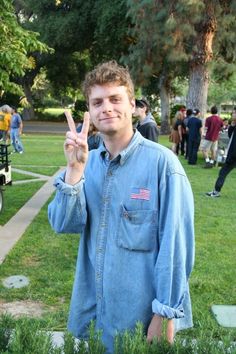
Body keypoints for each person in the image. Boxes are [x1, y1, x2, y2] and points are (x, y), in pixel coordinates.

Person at [48, 61, 194, 353]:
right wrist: (74, 172)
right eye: (97, 102)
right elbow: (64, 224)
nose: (107, 108)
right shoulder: (84, 163)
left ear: (132, 104)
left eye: (115, 99)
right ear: (89, 111)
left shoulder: (163, 165)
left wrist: (164, 312)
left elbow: (175, 246)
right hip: (95, 315)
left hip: (140, 320)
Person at [206, 112, 236, 197]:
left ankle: (216, 192)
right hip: (233, 155)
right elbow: (230, 136)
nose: (232, 115)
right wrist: (233, 125)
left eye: (234, 113)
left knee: (223, 172)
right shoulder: (234, 125)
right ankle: (216, 191)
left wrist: (231, 156)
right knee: (223, 172)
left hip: (233, 156)